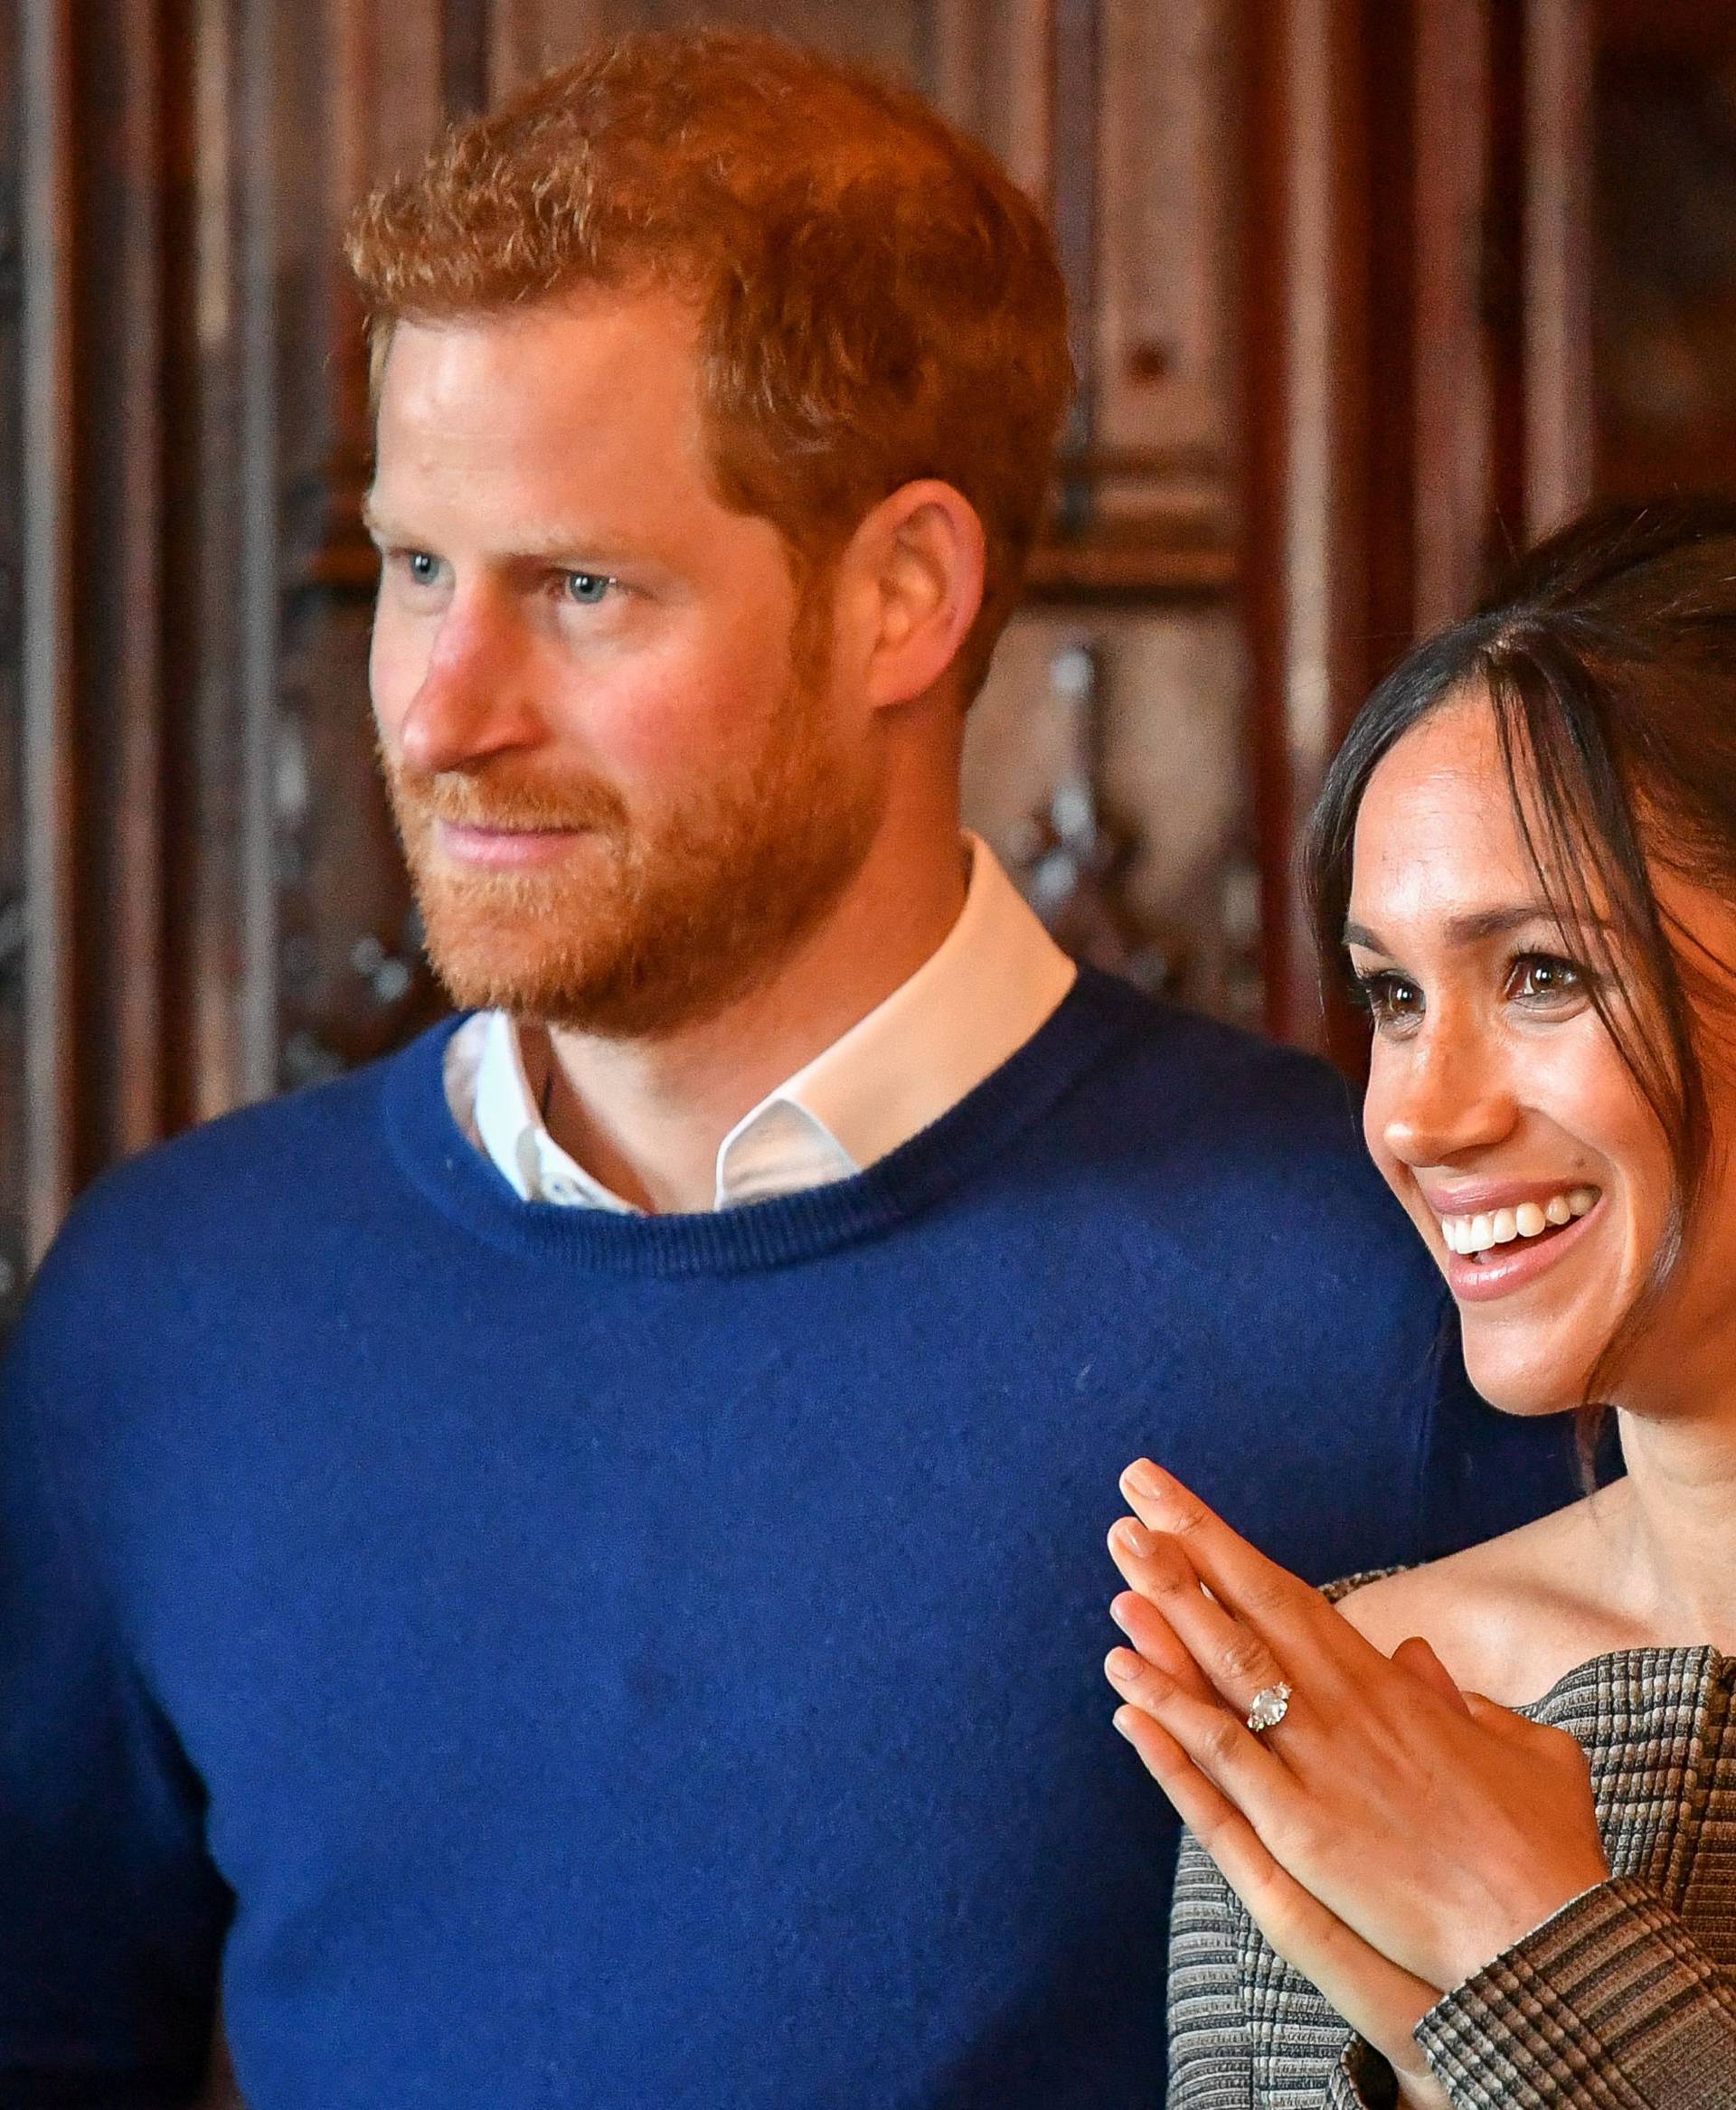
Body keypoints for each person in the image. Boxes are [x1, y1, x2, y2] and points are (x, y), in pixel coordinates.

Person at [0, 30, 1570, 2110]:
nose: (440, 710)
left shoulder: (1388, 1292)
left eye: (579, 587)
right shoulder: (169, 1308)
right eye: (409, 568)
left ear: (903, 593)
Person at [1106, 498, 1736, 2106]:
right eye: (1393, 995)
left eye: (1542, 972)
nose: (1415, 1115)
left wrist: (1530, 1940)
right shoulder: (1352, 1708)